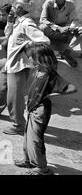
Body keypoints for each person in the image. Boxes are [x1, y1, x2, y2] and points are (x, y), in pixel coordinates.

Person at [0, 0, 50, 135]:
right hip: (10, 62)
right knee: (1, 85)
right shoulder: (17, 20)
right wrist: (10, 21)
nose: (13, 6)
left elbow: (44, 41)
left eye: (16, 4)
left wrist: (25, 49)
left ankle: (19, 125)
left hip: (19, 65)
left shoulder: (27, 23)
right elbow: (8, 34)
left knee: (14, 98)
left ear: (20, 7)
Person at [14, 44, 77, 175]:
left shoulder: (51, 76)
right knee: (27, 138)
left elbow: (72, 88)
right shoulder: (37, 71)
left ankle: (42, 168)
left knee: (35, 139)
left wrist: (51, 95)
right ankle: (28, 160)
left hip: (40, 111)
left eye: (31, 57)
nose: (30, 59)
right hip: (32, 108)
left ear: (41, 58)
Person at [39, 0, 82, 67]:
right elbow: (43, 20)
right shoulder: (48, 3)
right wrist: (58, 28)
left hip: (64, 28)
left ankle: (66, 52)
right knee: (42, 27)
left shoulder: (70, 4)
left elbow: (75, 20)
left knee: (80, 31)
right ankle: (56, 50)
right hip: (51, 28)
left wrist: (71, 28)